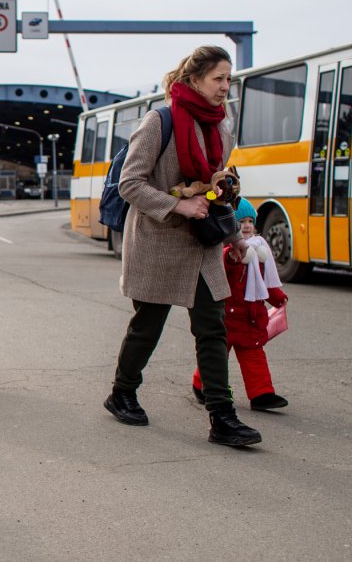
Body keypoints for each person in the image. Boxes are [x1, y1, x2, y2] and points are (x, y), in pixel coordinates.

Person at [103, 45, 263, 447]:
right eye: (218, 79)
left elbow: (215, 188)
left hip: (203, 243)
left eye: (229, 78)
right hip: (159, 242)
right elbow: (129, 184)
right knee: (148, 326)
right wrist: (177, 204)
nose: (226, 86)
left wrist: (234, 237)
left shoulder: (222, 127)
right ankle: (122, 392)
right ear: (194, 80)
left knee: (212, 328)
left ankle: (221, 417)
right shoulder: (159, 122)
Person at [191, 197, 289, 410]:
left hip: (250, 317)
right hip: (226, 316)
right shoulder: (225, 250)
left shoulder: (260, 251)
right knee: (216, 356)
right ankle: (202, 385)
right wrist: (231, 258)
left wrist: (277, 297)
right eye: (240, 222)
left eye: (250, 221)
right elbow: (220, 269)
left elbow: (266, 283)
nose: (245, 226)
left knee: (254, 355)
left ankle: (262, 394)